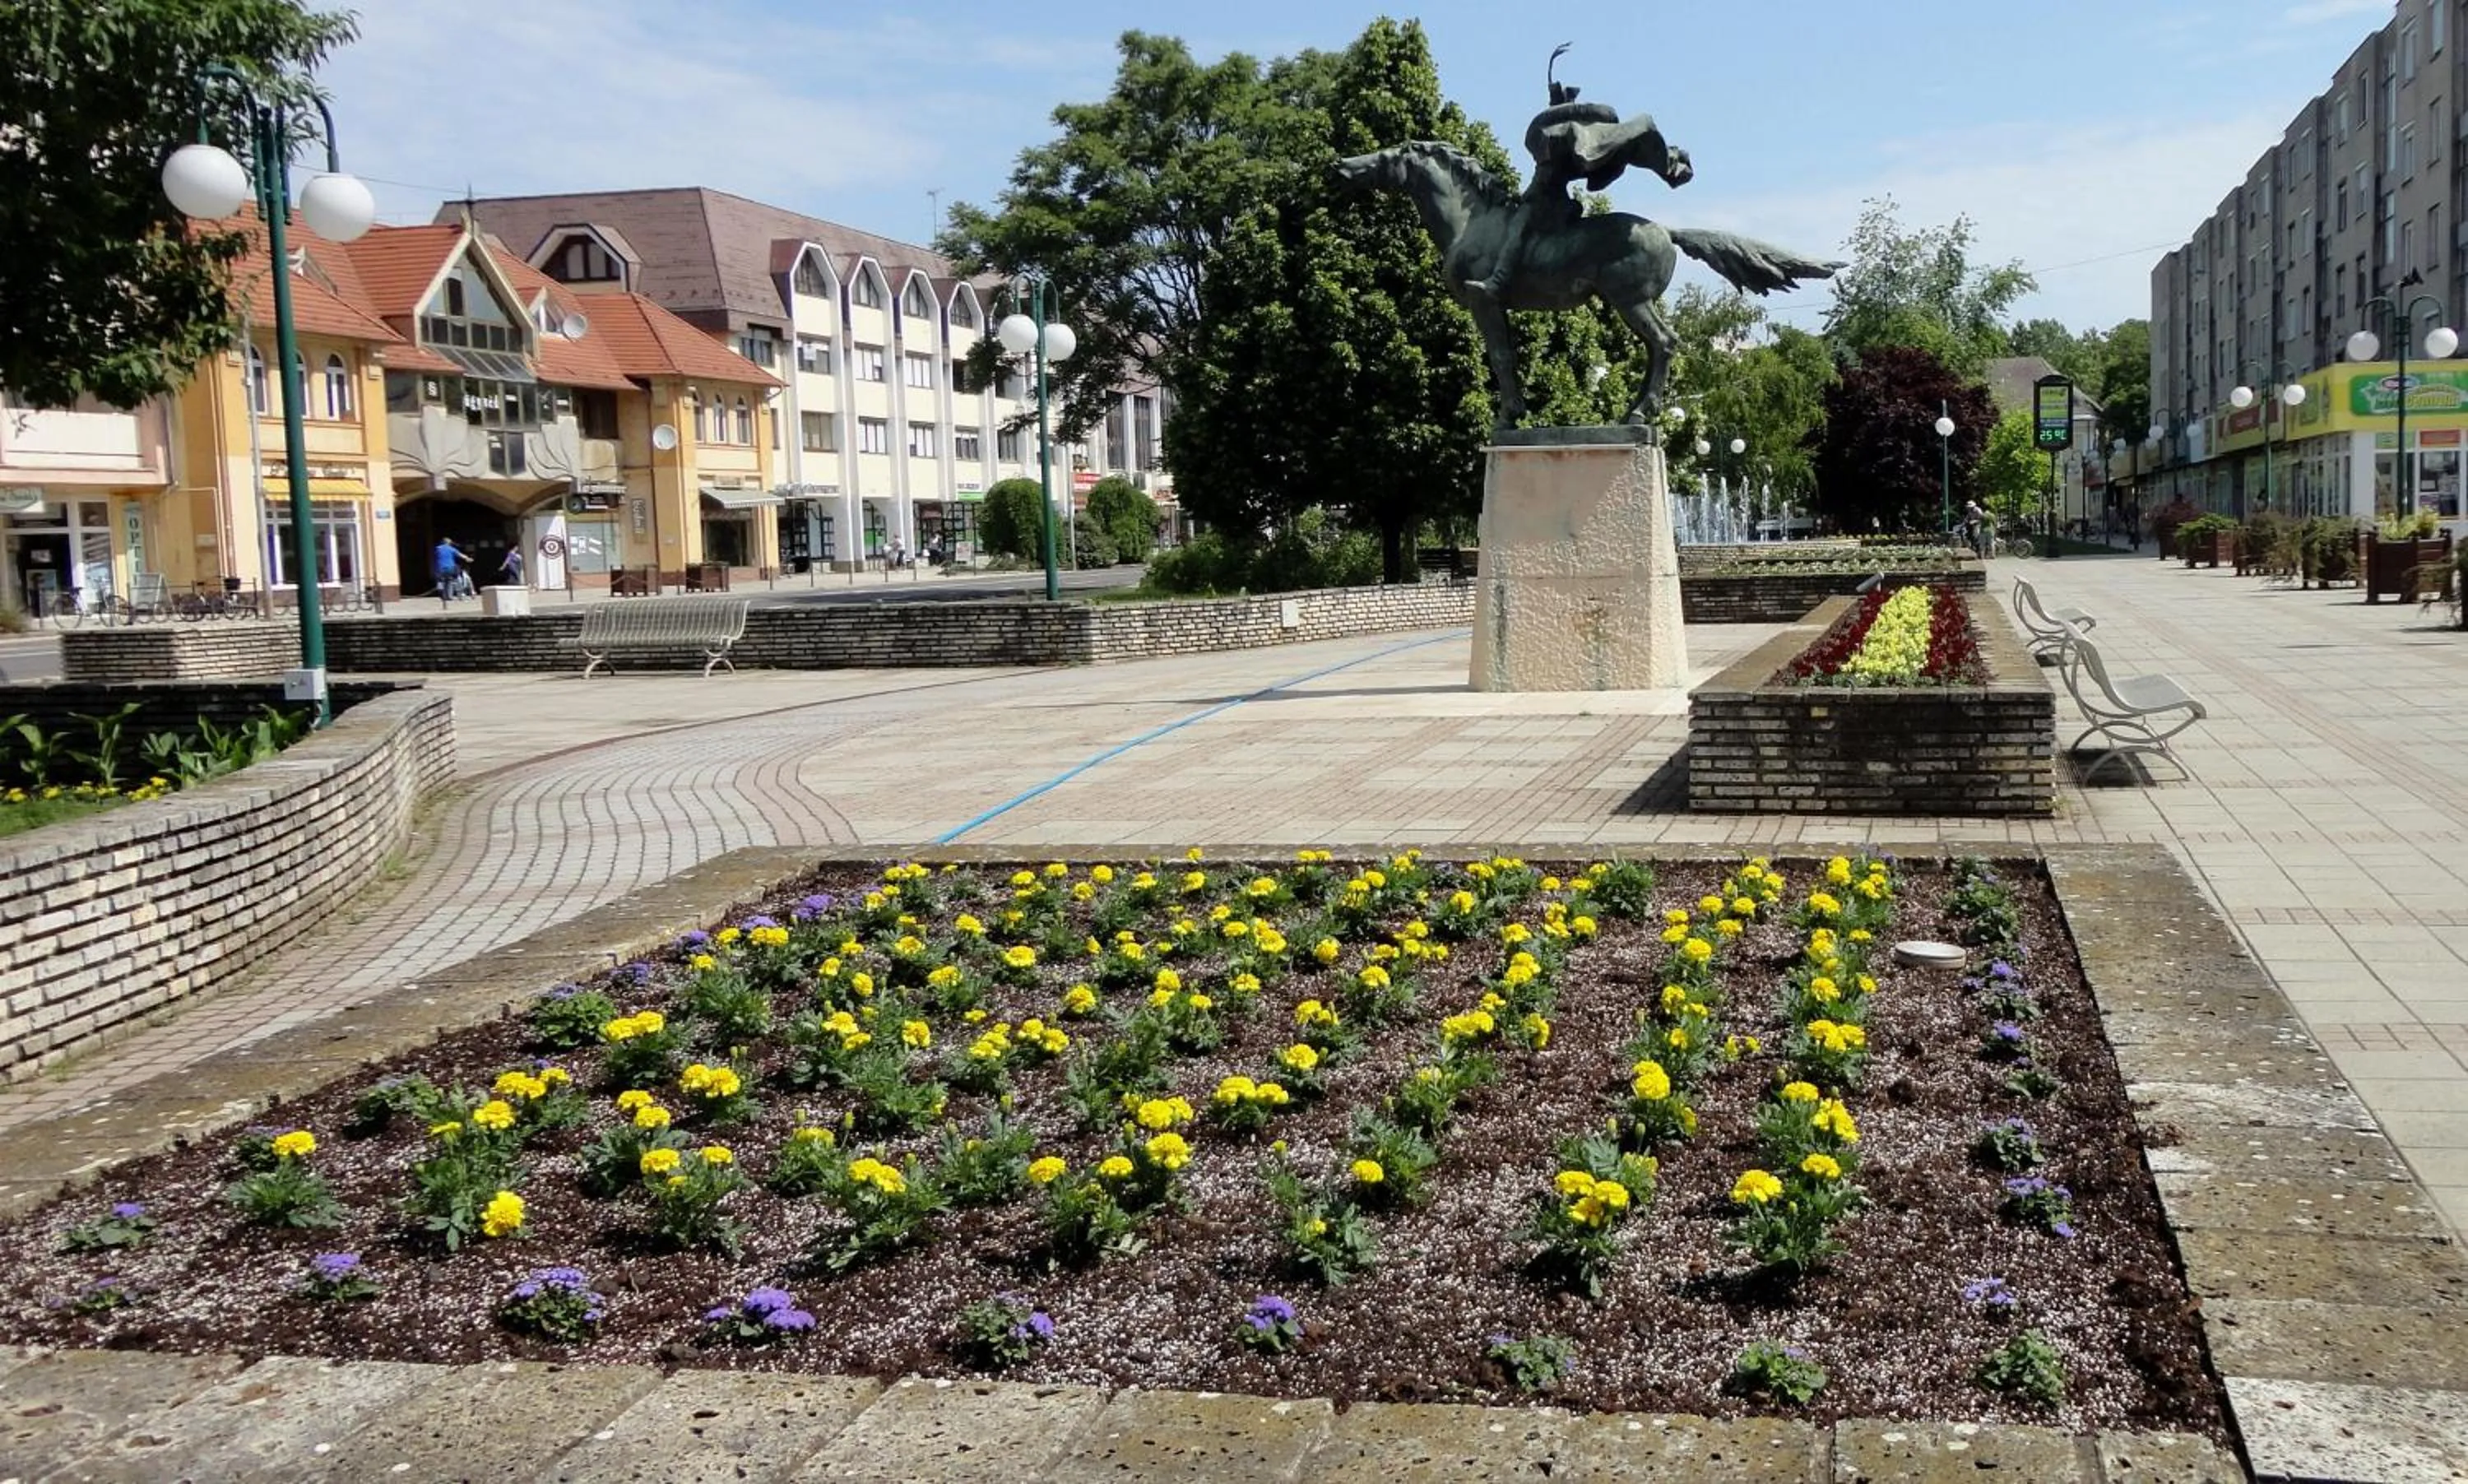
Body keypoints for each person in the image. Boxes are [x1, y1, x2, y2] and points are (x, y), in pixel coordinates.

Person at [1468, 44, 1691, 305]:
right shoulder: (1558, 149)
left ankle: (1497, 281)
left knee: (1517, 228)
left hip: (1545, 206)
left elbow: (1543, 183)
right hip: (1554, 205)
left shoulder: (1560, 150)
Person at [433, 537, 468, 603]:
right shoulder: (451, 549)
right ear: (449, 543)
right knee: (450, 581)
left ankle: (443, 596)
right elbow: (460, 555)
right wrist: (467, 558)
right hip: (450, 568)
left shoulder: (437, 549)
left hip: (440, 568)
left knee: (442, 581)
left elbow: (435, 556)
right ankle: (451, 596)